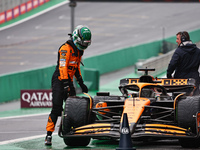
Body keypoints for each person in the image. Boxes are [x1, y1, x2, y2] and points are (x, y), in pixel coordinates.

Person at [45, 25, 92, 146]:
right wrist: (65, 84)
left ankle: (74, 130)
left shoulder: (79, 50)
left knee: (75, 107)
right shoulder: (65, 49)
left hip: (68, 80)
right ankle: (48, 135)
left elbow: (76, 67)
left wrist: (81, 83)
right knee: (56, 108)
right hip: (59, 80)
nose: (84, 46)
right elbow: (63, 67)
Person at [167, 31, 200, 95]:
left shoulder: (179, 51)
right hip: (194, 80)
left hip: (180, 82)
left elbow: (172, 64)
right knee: (195, 102)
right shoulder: (198, 51)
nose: (176, 41)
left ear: (183, 39)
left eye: (177, 39)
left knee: (178, 102)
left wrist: (169, 76)